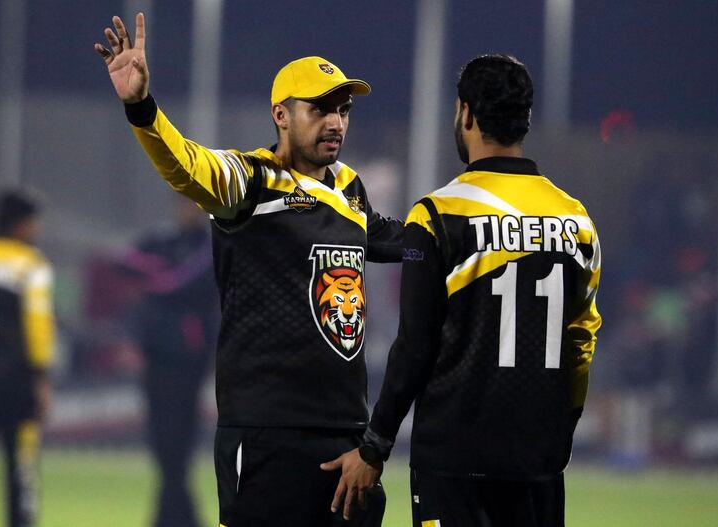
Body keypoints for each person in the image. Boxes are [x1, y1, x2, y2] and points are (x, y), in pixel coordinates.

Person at [94, 13, 402, 527]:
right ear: (281, 115)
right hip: (265, 434)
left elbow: (394, 241)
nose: (336, 122)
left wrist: (457, 238)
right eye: (321, 108)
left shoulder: (349, 187)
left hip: (347, 439)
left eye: (343, 109)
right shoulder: (250, 182)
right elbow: (186, 166)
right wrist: (141, 107)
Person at [325, 54, 602, 526]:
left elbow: (414, 346)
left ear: (467, 113)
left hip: (454, 461)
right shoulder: (576, 220)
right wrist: (561, 430)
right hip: (537, 463)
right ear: (525, 120)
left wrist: (374, 448)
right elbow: (581, 343)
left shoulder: (436, 216)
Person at [120, 196, 217, 527]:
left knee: (181, 438)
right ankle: (179, 517)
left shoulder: (209, 243)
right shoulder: (159, 239)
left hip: (188, 358)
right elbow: (125, 263)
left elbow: (183, 282)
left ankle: (171, 517)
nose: (188, 210)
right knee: (162, 439)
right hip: (156, 355)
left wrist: (157, 277)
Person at [0, 190, 56, 527]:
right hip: (13, 383)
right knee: (20, 470)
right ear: (21, 225)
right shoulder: (30, 264)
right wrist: (41, 378)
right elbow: (37, 325)